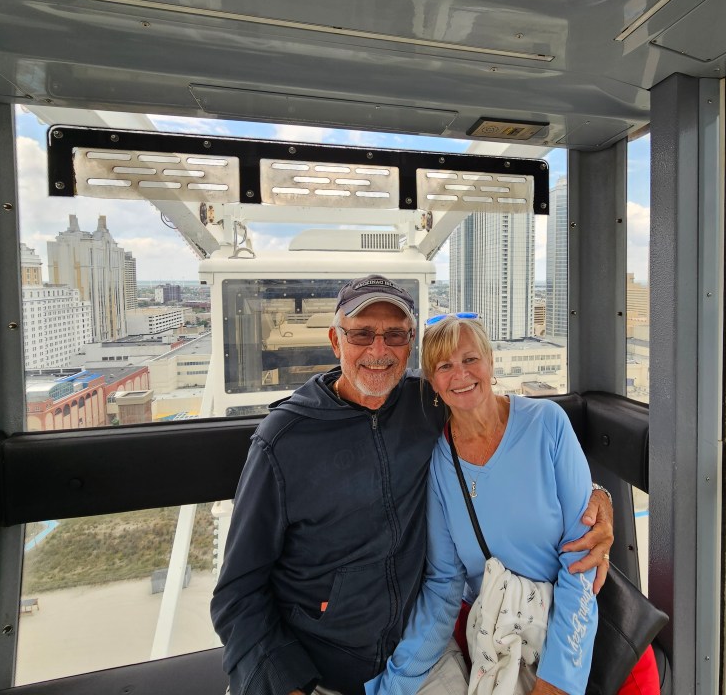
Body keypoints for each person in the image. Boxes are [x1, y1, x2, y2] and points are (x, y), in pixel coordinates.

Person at [211, 276, 614, 695]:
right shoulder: (284, 441)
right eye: (362, 334)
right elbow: (237, 594)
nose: (379, 350)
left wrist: (595, 496)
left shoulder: (425, 403)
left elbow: (515, 443)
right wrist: (284, 683)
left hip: (418, 652)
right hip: (314, 668)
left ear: (409, 346)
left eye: (395, 335)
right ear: (335, 340)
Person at [369, 314, 601, 695]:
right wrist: (394, 684)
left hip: (567, 624)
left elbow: (581, 560)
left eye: (470, 359)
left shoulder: (547, 424)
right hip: (499, 637)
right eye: (445, 366)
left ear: (491, 362)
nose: (460, 374)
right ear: (433, 382)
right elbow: (444, 584)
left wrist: (556, 681)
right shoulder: (440, 462)